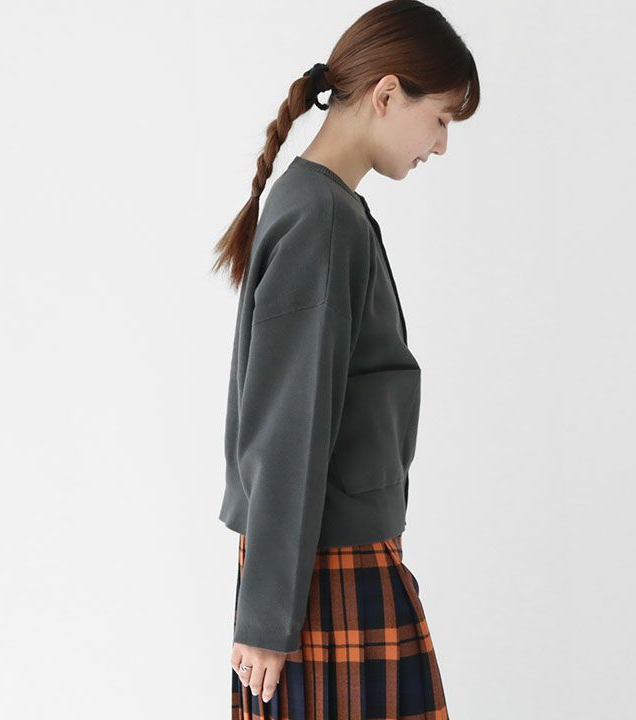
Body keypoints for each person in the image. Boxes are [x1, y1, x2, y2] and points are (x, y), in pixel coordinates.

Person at [211, 0, 480, 715]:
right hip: (326, 571)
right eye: (441, 119)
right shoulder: (322, 220)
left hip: (323, 561)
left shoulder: (324, 208)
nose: (440, 145)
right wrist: (268, 618)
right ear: (387, 94)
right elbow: (289, 426)